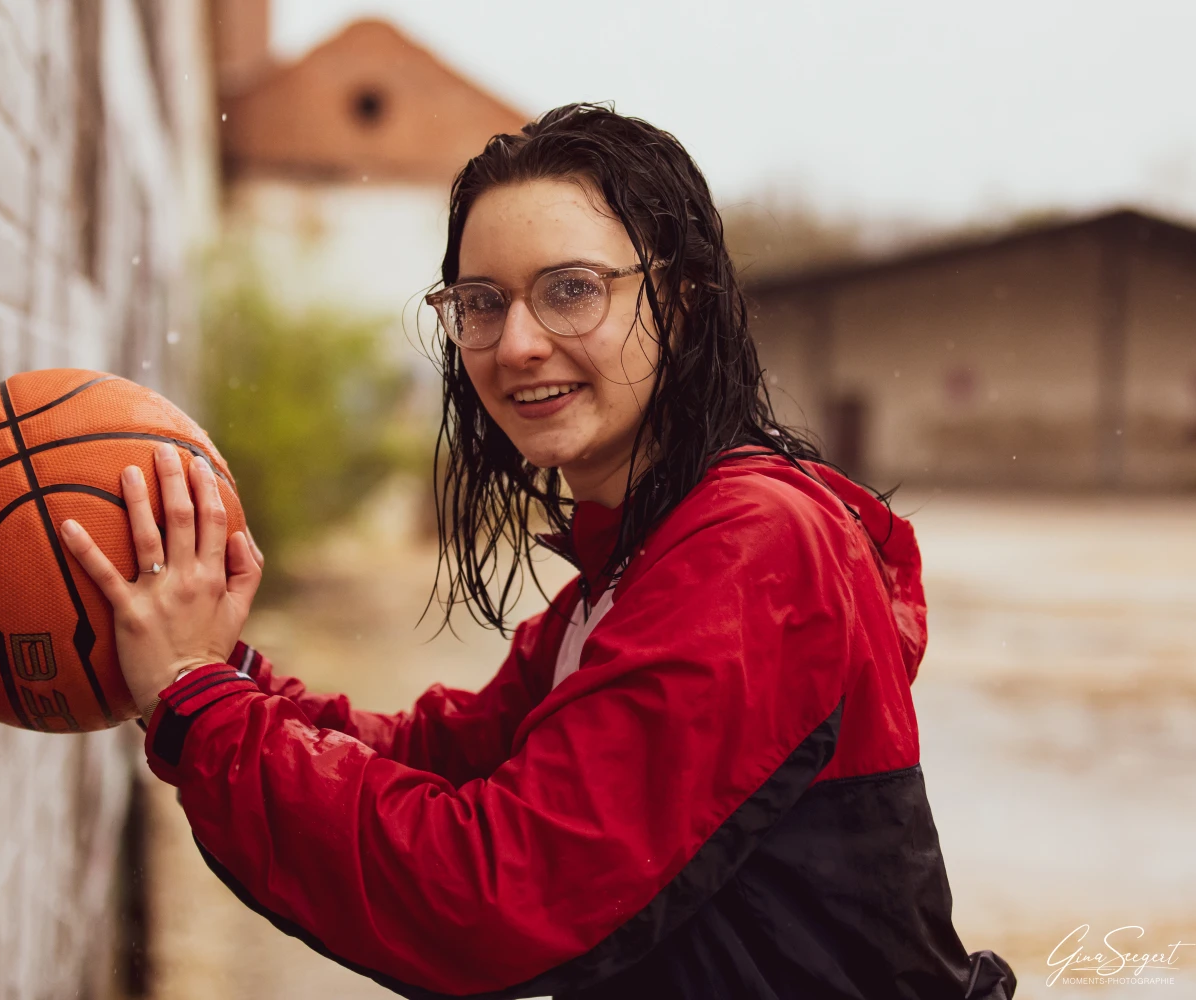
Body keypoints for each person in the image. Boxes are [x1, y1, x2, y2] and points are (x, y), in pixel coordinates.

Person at [58, 104, 1016, 999]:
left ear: (681, 305)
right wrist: (220, 671)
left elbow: (497, 891)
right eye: (481, 302)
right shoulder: (638, 558)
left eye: (572, 291)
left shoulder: (754, 545)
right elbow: (453, 758)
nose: (515, 345)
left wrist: (201, 706)